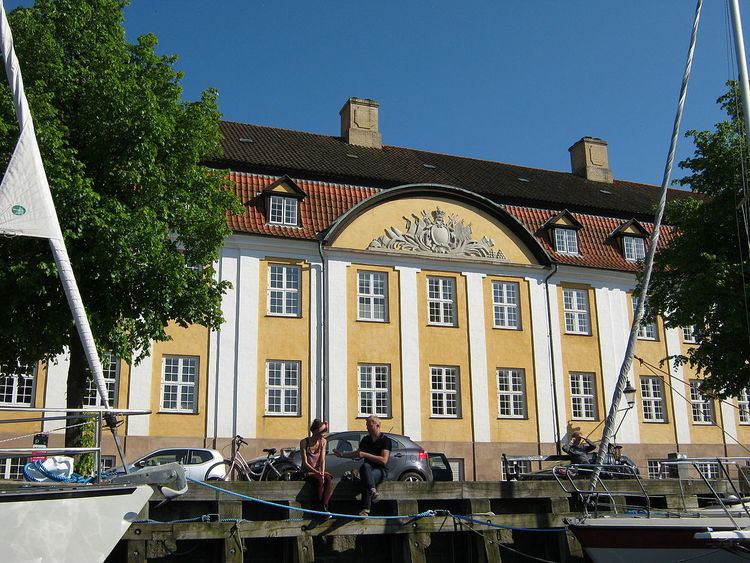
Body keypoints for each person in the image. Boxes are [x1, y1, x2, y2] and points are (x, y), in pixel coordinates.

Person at [333, 415, 391, 517]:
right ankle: (372, 491)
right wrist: (341, 454)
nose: (367, 427)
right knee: (365, 467)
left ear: (377, 425)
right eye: (367, 425)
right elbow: (357, 454)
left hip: (381, 470)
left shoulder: (385, 440)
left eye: (369, 425)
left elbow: (384, 460)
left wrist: (365, 455)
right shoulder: (366, 439)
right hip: (367, 469)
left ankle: (365, 509)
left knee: (366, 478)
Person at [300, 419, 333, 513]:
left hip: (318, 472)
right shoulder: (304, 442)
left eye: (324, 431)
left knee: (327, 479)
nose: (323, 434)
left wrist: (322, 473)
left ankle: (325, 506)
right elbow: (305, 462)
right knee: (319, 480)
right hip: (307, 471)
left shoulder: (323, 442)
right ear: (314, 431)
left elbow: (322, 459)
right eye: (322, 431)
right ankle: (318, 508)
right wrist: (317, 473)